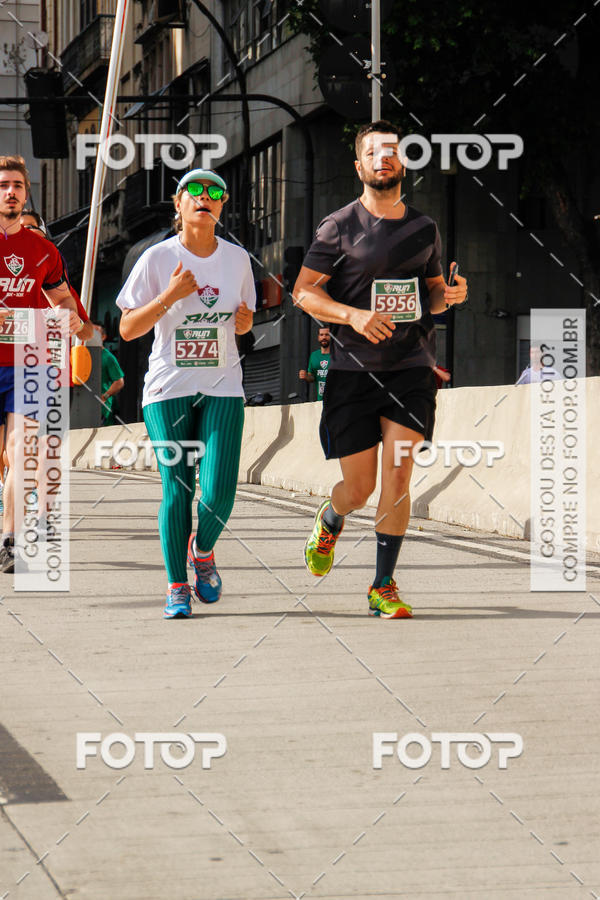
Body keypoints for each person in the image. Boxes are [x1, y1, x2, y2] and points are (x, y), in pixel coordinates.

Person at [294, 121, 467, 618]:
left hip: (411, 365)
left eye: (391, 151)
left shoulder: (424, 227)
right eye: (373, 152)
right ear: (359, 166)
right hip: (351, 370)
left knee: (398, 474)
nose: (383, 158)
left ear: (403, 162)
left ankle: (382, 585)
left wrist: (449, 295)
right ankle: (331, 518)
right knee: (360, 487)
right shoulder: (338, 226)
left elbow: (433, 293)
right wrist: (353, 315)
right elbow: (304, 292)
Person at [117, 168, 255, 618]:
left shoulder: (237, 260)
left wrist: (245, 323)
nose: (204, 197)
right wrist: (168, 296)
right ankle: (177, 585)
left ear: (223, 204)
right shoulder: (157, 258)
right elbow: (127, 327)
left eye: (214, 192)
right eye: (193, 190)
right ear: (178, 205)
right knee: (177, 490)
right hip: (168, 389)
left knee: (218, 492)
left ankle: (203, 549)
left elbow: (246, 315)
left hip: (222, 388)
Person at [0, 156, 84, 573]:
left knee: (21, 452)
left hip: (25, 362)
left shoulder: (44, 251)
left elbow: (64, 301)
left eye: (16, 185)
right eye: (2, 185)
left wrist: (68, 315)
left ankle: (11, 541)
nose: (10, 192)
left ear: (26, 193)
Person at [93, 325, 124, 425]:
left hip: (101, 409)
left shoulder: (108, 357)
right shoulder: (83, 354)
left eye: (96, 331)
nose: (93, 333)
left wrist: (104, 397)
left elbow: (119, 382)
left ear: (103, 337)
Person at [299, 326, 331, 399]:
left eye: (327, 334)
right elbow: (312, 377)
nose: (324, 337)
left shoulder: (337, 354)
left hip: (336, 398)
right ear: (318, 337)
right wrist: (306, 376)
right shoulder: (314, 355)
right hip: (321, 398)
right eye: (321, 335)